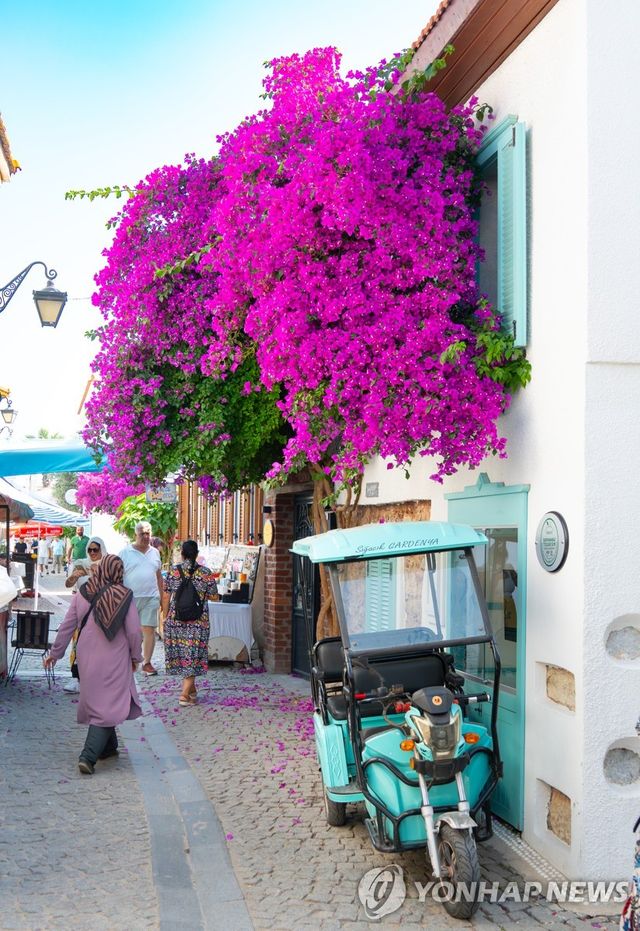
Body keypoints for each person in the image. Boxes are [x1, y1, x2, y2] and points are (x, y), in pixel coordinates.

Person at [44, 554, 143, 775]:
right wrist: (136, 657)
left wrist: (56, 653)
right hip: (114, 657)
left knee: (102, 701)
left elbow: (68, 624)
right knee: (108, 705)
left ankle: (109, 747)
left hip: (86, 655)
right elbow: (135, 631)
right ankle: (88, 756)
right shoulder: (124, 595)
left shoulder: (83, 591)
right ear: (118, 572)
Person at [162, 539, 217, 706]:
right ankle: (184, 695)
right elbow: (214, 595)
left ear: (182, 554)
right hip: (198, 622)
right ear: (197, 554)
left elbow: (166, 596)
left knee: (184, 656)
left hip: (176, 620)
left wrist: (165, 617)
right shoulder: (206, 573)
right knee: (192, 655)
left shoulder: (173, 571)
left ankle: (190, 691)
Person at [63, 537, 107, 694]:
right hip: (83, 608)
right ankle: (77, 678)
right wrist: (75, 576)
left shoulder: (108, 564)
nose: (93, 553)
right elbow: (68, 584)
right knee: (79, 643)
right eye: (90, 550)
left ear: (102, 549)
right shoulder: (81, 562)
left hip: (103, 609)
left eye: (96, 549)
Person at [119, 521, 162, 677]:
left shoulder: (155, 553)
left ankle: (147, 663)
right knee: (132, 631)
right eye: (142, 533)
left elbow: (159, 576)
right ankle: (129, 659)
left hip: (151, 597)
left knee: (149, 629)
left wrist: (162, 598)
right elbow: (117, 575)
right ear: (135, 534)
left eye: (148, 533)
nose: (145, 536)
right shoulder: (124, 552)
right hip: (130, 597)